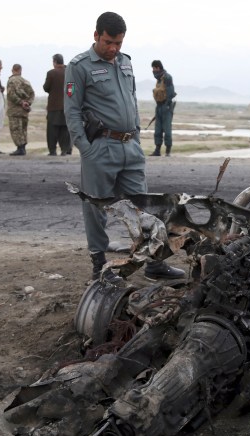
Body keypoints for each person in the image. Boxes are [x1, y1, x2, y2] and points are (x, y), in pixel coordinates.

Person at [64, 11, 184, 282]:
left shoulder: (125, 62)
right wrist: (86, 148)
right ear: (96, 36)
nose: (114, 48)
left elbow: (131, 99)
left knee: (144, 207)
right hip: (100, 147)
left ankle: (153, 263)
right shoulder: (79, 66)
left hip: (130, 147)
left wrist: (138, 135)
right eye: (108, 42)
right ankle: (99, 267)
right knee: (96, 208)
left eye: (118, 43)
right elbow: (71, 112)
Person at [43, 53, 72, 156]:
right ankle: (65, 150)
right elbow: (71, 89)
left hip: (53, 106)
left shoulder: (51, 73)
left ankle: (52, 150)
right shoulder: (70, 72)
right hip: (67, 106)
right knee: (65, 130)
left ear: (55, 62)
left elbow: (46, 88)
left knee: (52, 130)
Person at [149, 60, 176, 157]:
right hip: (159, 106)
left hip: (166, 106)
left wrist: (167, 106)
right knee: (158, 129)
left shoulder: (167, 77)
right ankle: (157, 150)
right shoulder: (159, 79)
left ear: (158, 68)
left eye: (153, 68)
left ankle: (168, 152)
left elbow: (170, 92)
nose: (153, 70)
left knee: (167, 130)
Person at [6, 64, 35, 156]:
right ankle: (23, 148)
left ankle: (20, 148)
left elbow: (11, 94)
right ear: (20, 70)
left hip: (14, 110)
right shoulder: (26, 81)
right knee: (23, 129)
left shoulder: (11, 81)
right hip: (24, 111)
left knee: (15, 129)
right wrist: (27, 103)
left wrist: (20, 102)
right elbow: (32, 94)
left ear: (13, 70)